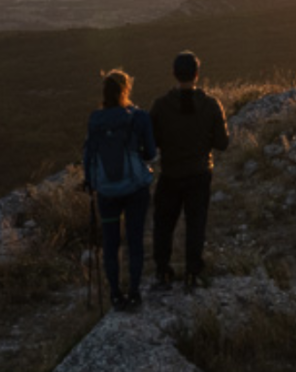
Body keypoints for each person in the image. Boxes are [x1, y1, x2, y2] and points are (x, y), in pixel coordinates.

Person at [149, 50, 229, 291]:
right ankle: (192, 273)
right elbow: (223, 143)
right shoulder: (211, 104)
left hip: (171, 174)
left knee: (163, 225)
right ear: (197, 74)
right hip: (199, 174)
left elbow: (152, 143)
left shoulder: (161, 106)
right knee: (196, 224)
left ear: (174, 74)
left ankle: (162, 271)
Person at [84, 69, 157, 311]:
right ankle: (134, 291)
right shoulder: (139, 117)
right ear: (126, 89)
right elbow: (151, 153)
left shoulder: (95, 120)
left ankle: (115, 294)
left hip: (106, 191)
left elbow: (89, 155)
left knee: (111, 242)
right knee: (135, 239)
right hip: (135, 188)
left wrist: (90, 182)